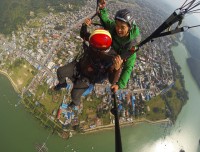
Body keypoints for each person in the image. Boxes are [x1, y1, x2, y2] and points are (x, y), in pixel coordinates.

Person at [54, 23, 121, 108]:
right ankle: (62, 84)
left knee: (74, 95)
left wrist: (116, 69)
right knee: (60, 72)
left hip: (88, 78)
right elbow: (83, 34)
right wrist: (84, 25)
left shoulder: (112, 58)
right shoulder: (94, 40)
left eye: (95, 47)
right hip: (78, 66)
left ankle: (75, 103)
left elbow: (112, 80)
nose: (92, 47)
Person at [85, 0, 141, 93]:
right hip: (109, 53)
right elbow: (106, 20)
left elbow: (128, 67)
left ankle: (96, 78)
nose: (118, 29)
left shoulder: (131, 46)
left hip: (116, 61)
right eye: (117, 25)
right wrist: (102, 9)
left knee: (112, 78)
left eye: (122, 27)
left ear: (129, 27)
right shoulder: (113, 27)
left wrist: (119, 85)